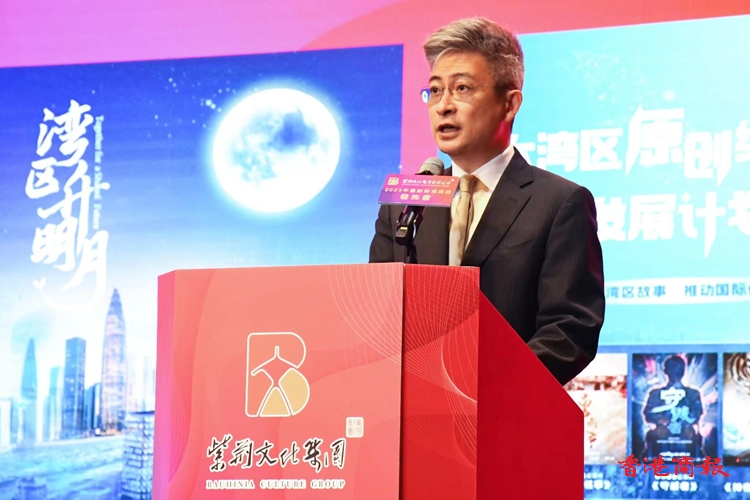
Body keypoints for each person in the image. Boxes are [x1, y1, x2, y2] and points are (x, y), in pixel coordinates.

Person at [368, 17, 605, 385]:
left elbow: (569, 329)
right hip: (414, 407)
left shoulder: (559, 202)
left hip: (505, 405)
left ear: (509, 104)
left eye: (462, 88)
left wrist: (486, 387)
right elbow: (376, 314)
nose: (443, 106)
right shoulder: (405, 206)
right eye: (435, 90)